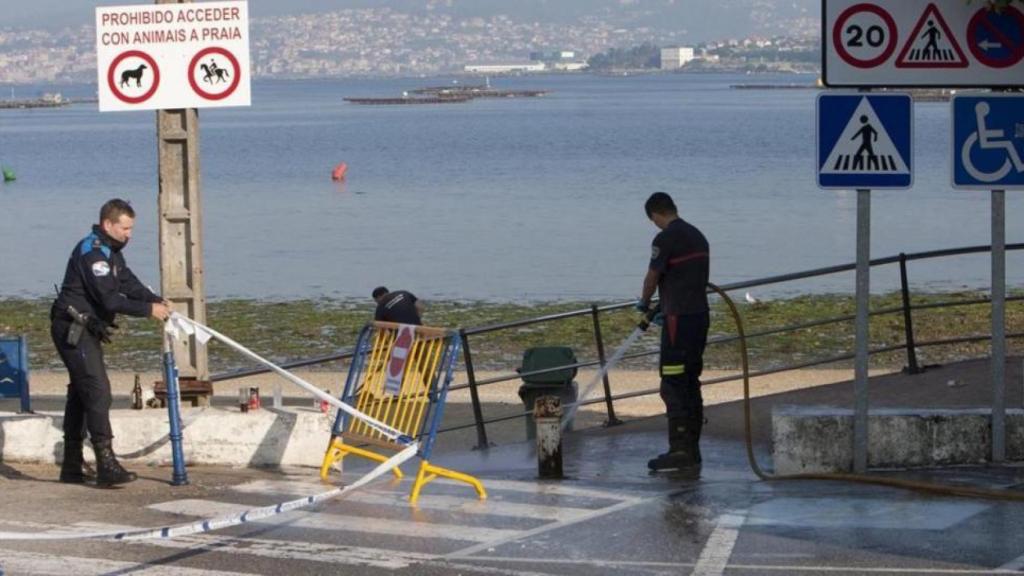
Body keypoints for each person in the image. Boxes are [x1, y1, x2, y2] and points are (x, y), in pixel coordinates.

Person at [51, 199, 171, 486]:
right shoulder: (93, 254)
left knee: (81, 393)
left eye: (131, 228)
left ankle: (71, 465)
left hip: (87, 328)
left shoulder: (111, 252)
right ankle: (106, 464)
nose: (129, 234)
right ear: (108, 224)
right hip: (72, 328)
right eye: (125, 228)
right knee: (98, 391)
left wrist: (153, 299)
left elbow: (127, 283)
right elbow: (110, 299)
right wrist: (148, 311)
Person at [637, 192, 710, 472]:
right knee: (691, 381)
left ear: (655, 214)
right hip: (699, 317)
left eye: (652, 220)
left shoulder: (665, 238)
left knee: (672, 383)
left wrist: (643, 304)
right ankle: (692, 449)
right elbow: (685, 278)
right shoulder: (697, 235)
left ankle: (679, 450)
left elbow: (653, 276)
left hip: (678, 321)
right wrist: (661, 305)